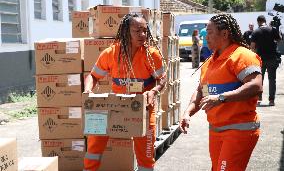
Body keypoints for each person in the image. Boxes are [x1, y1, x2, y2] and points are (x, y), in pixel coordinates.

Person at [83, 14, 166, 171]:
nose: (143, 35)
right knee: (95, 137)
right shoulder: (111, 53)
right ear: (126, 32)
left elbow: (162, 80)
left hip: (143, 108)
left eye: (145, 30)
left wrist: (153, 91)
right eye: (137, 31)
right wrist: (88, 90)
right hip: (116, 106)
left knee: (146, 154)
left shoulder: (152, 54)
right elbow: (93, 76)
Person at [180, 14, 263, 171]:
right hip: (216, 130)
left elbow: (256, 85)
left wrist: (221, 97)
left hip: (239, 129)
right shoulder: (210, 62)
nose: (206, 37)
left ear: (224, 34)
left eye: (210, 32)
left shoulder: (242, 56)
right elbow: (202, 91)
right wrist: (188, 112)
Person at [250, 15, 281, 106]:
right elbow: (279, 40)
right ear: (265, 21)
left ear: (258, 22)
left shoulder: (256, 31)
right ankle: (271, 100)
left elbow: (252, 46)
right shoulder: (272, 29)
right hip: (272, 58)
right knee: (272, 79)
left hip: (260, 59)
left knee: (259, 79)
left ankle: (259, 98)